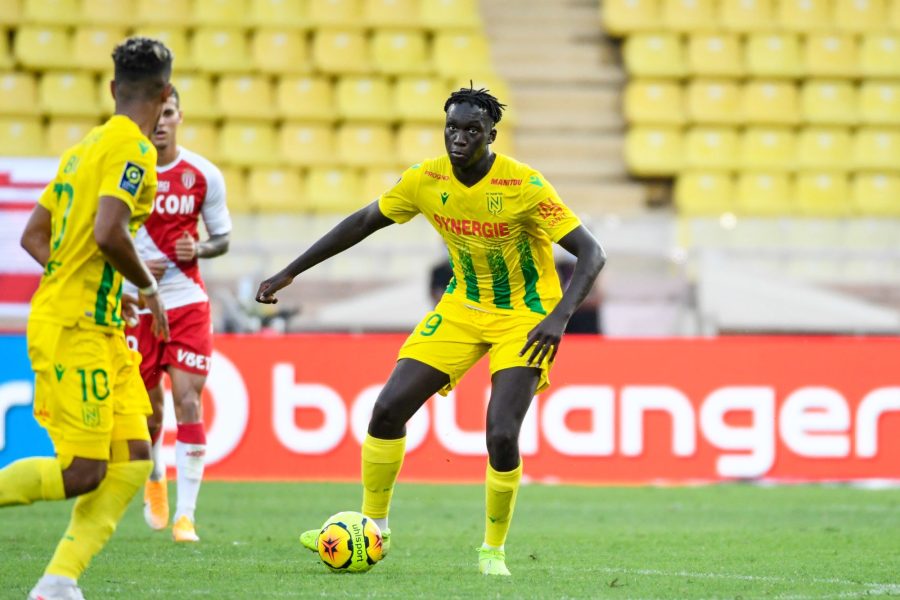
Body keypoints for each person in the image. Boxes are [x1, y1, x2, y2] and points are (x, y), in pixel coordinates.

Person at [256, 86, 606, 576]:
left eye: (471, 131)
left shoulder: (524, 186)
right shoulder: (426, 179)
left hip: (525, 316)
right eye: (452, 128)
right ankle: (373, 527)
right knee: (386, 409)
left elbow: (592, 254)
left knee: (501, 434)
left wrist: (557, 319)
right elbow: (363, 221)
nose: (459, 138)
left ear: (491, 135)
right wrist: (290, 272)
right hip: (462, 307)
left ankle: (493, 551)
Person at [0, 37, 173, 600]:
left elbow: (35, 236)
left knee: (131, 459)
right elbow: (108, 231)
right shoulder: (134, 151)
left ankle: (57, 582)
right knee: (83, 471)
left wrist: (100, 287)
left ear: (111, 89)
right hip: (72, 327)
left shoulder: (84, 148)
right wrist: (147, 290)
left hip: (95, 322)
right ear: (166, 94)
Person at [124, 87, 232, 543]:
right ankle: (155, 476)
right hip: (137, 300)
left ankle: (186, 515)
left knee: (189, 399)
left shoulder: (203, 174)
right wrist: (130, 263)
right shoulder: (125, 175)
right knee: (149, 412)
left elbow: (222, 238)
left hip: (186, 297)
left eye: (169, 113)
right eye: (156, 114)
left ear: (179, 116)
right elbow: (103, 231)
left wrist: (200, 247)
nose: (162, 122)